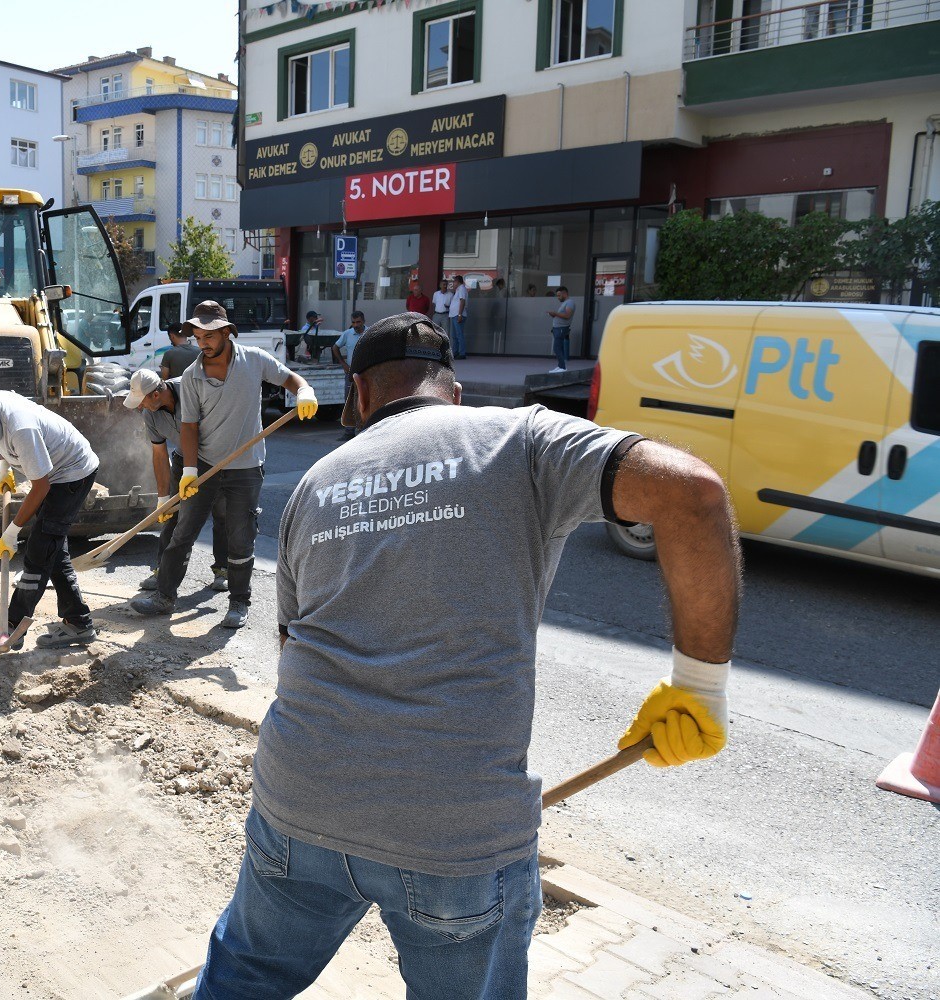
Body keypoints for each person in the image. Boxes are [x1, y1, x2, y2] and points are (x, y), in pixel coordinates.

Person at [193, 311, 741, 1000]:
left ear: (360, 396)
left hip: (298, 802)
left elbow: (290, 647)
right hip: (452, 837)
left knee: (246, 976)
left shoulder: (317, 483)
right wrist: (700, 687)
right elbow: (692, 492)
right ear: (454, 393)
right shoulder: (521, 438)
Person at [131, 300, 318, 630]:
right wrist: (189, 470)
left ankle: (238, 601)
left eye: (209, 335)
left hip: (246, 466)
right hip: (204, 466)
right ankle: (164, 596)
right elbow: (188, 425)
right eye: (198, 336)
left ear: (227, 332)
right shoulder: (191, 376)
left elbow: (291, 379)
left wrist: (305, 392)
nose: (203, 342)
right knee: (183, 530)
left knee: (240, 534)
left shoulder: (255, 361)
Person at [0, 387, 101, 650]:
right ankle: (79, 622)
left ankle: (11, 628)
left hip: (71, 474)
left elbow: (41, 487)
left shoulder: (21, 429)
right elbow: (2, 438)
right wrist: (4, 468)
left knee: (39, 552)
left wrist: (12, 531)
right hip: (53, 472)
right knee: (53, 550)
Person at [123, 369, 230, 594]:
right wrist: (163, 499)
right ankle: (164, 569)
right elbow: (159, 454)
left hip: (217, 458)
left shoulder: (192, 390)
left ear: (154, 394)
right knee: (173, 514)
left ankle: (223, 569)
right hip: (183, 459)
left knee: (223, 513)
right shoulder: (150, 414)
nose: (139, 407)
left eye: (141, 401)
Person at [331, 311, 365, 440]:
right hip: (351, 373)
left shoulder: (370, 333)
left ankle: (364, 431)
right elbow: (335, 347)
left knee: (364, 400)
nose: (356, 325)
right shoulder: (347, 334)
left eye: (358, 322)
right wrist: (343, 363)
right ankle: (349, 432)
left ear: (363, 321)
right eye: (353, 322)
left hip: (365, 372)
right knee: (349, 401)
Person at [547, 286, 575, 373]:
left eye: (559, 295)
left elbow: (567, 315)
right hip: (558, 328)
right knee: (559, 348)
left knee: (556, 348)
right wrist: (554, 315)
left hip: (561, 328)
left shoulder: (570, 302)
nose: (558, 298)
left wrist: (555, 313)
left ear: (564, 293)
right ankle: (560, 366)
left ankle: (562, 367)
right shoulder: (565, 303)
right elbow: (562, 315)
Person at [448, 273, 469, 359]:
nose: (453, 283)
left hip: (458, 315)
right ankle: (455, 352)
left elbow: (462, 301)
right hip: (454, 315)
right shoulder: (458, 290)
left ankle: (462, 353)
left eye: (454, 282)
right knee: (454, 336)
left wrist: (460, 314)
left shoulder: (461, 289)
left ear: (457, 281)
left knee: (459, 335)